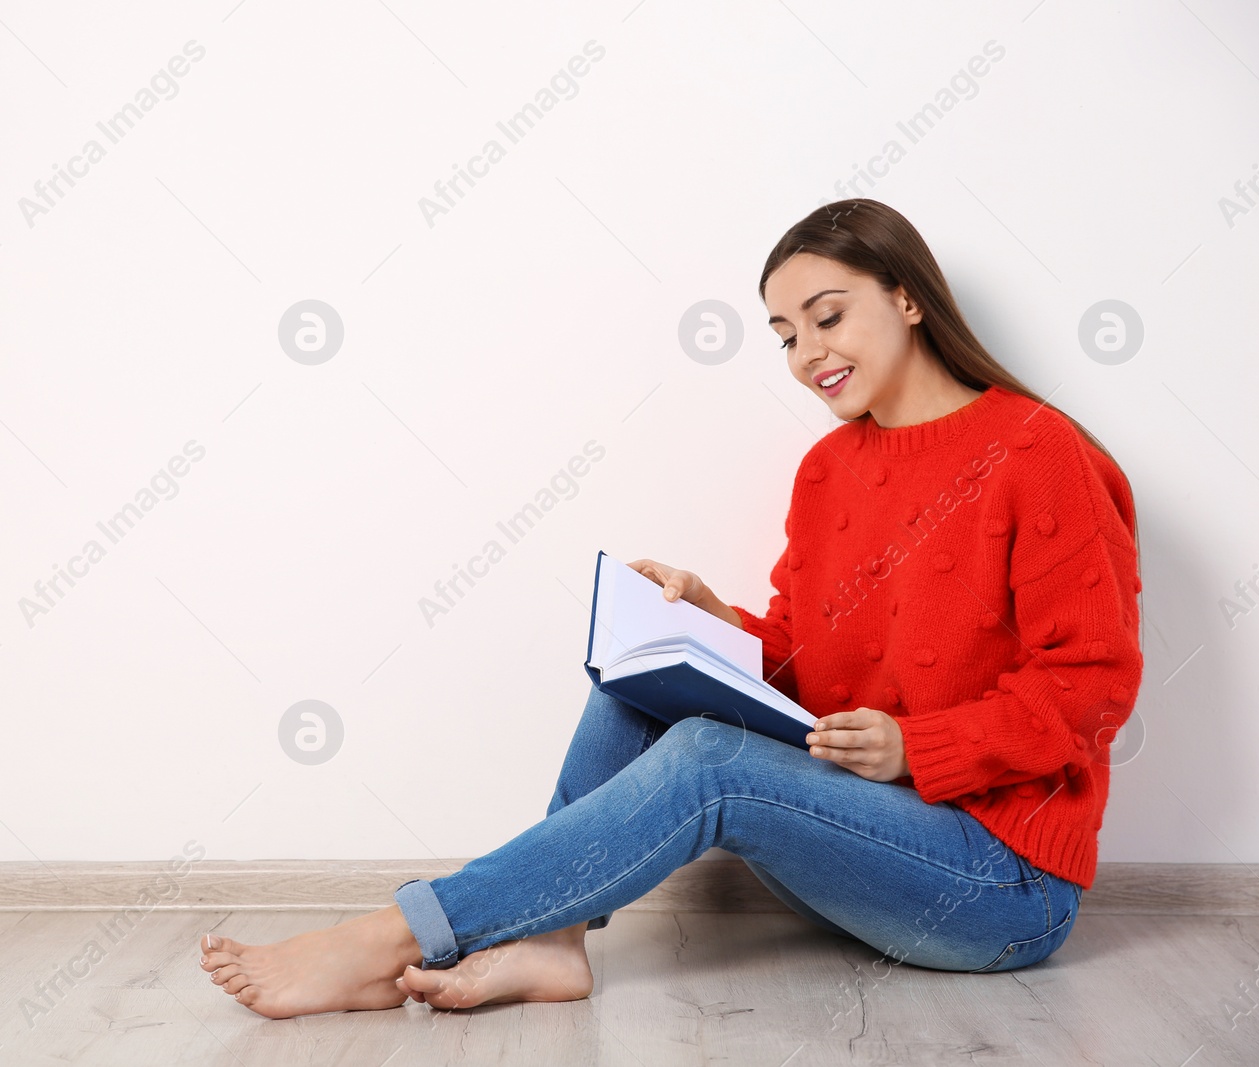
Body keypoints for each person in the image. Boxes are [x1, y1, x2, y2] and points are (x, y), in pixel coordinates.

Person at [199, 198, 1145, 1019]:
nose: (808, 353)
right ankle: (553, 939)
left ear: (906, 297)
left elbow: (1093, 690)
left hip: (1001, 885)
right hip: (868, 835)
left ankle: (386, 936)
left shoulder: (1036, 452)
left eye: (827, 317)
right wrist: (713, 626)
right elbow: (810, 665)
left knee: (709, 762)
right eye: (785, 335)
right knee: (640, 679)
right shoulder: (828, 470)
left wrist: (916, 747)